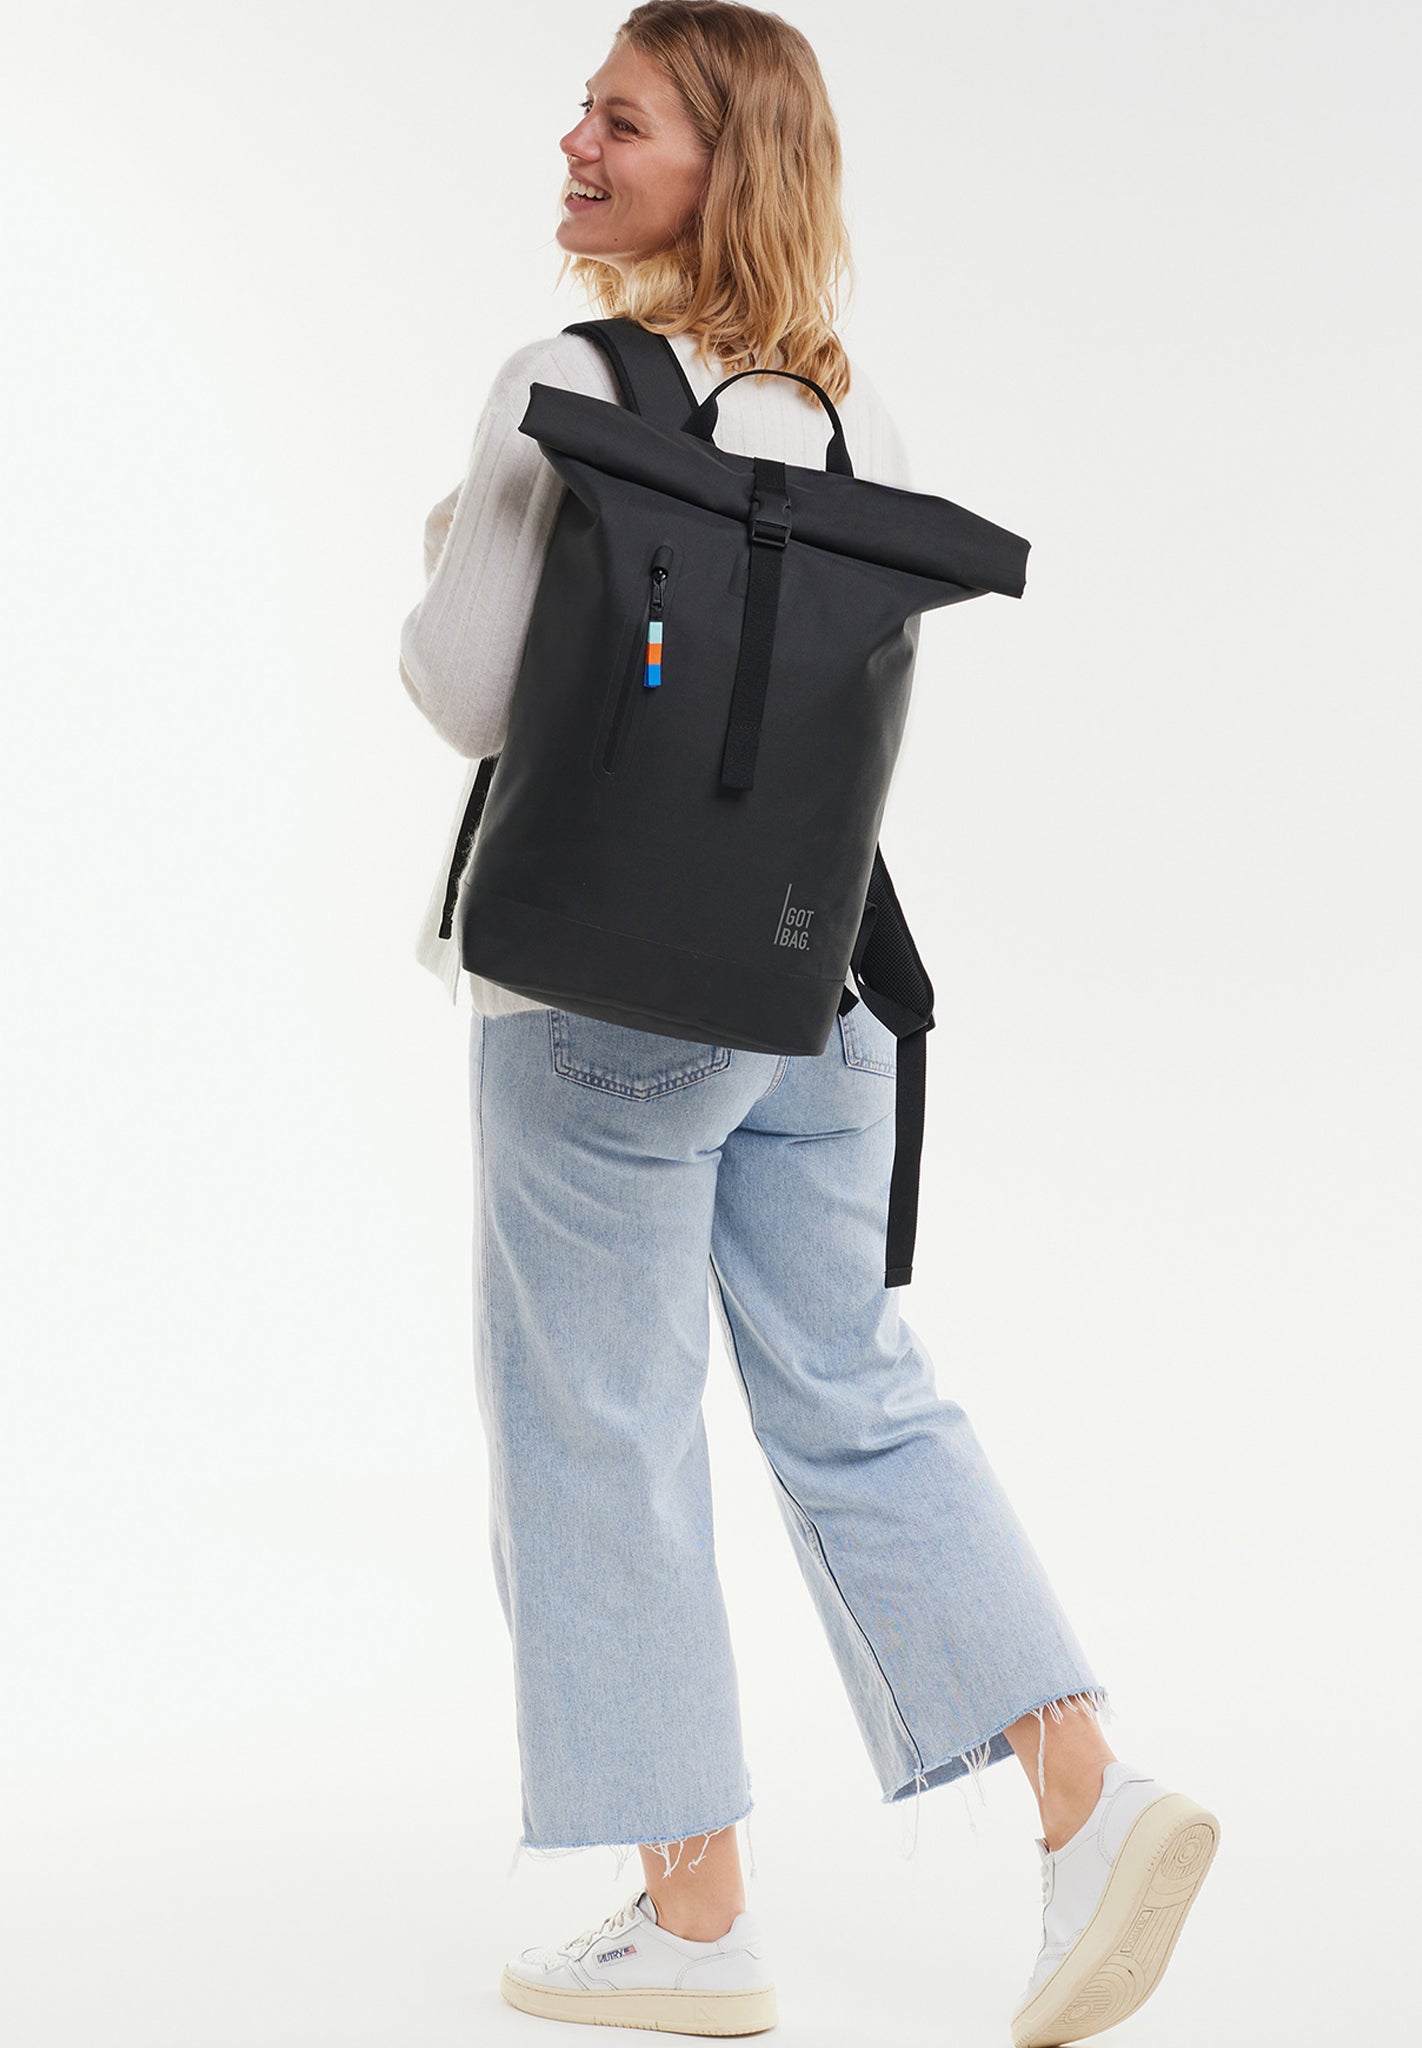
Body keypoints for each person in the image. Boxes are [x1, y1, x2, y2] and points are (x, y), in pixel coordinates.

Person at [398, 4, 1220, 2039]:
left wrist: (452, 537)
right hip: (821, 981)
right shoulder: (857, 425)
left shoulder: (560, 383)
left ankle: (696, 1919)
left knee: (598, 1428)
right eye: (584, 111)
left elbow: (464, 690)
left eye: (622, 120)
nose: (575, 143)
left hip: (599, 1006)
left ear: (717, 166)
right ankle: (1087, 1793)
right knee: (853, 1391)